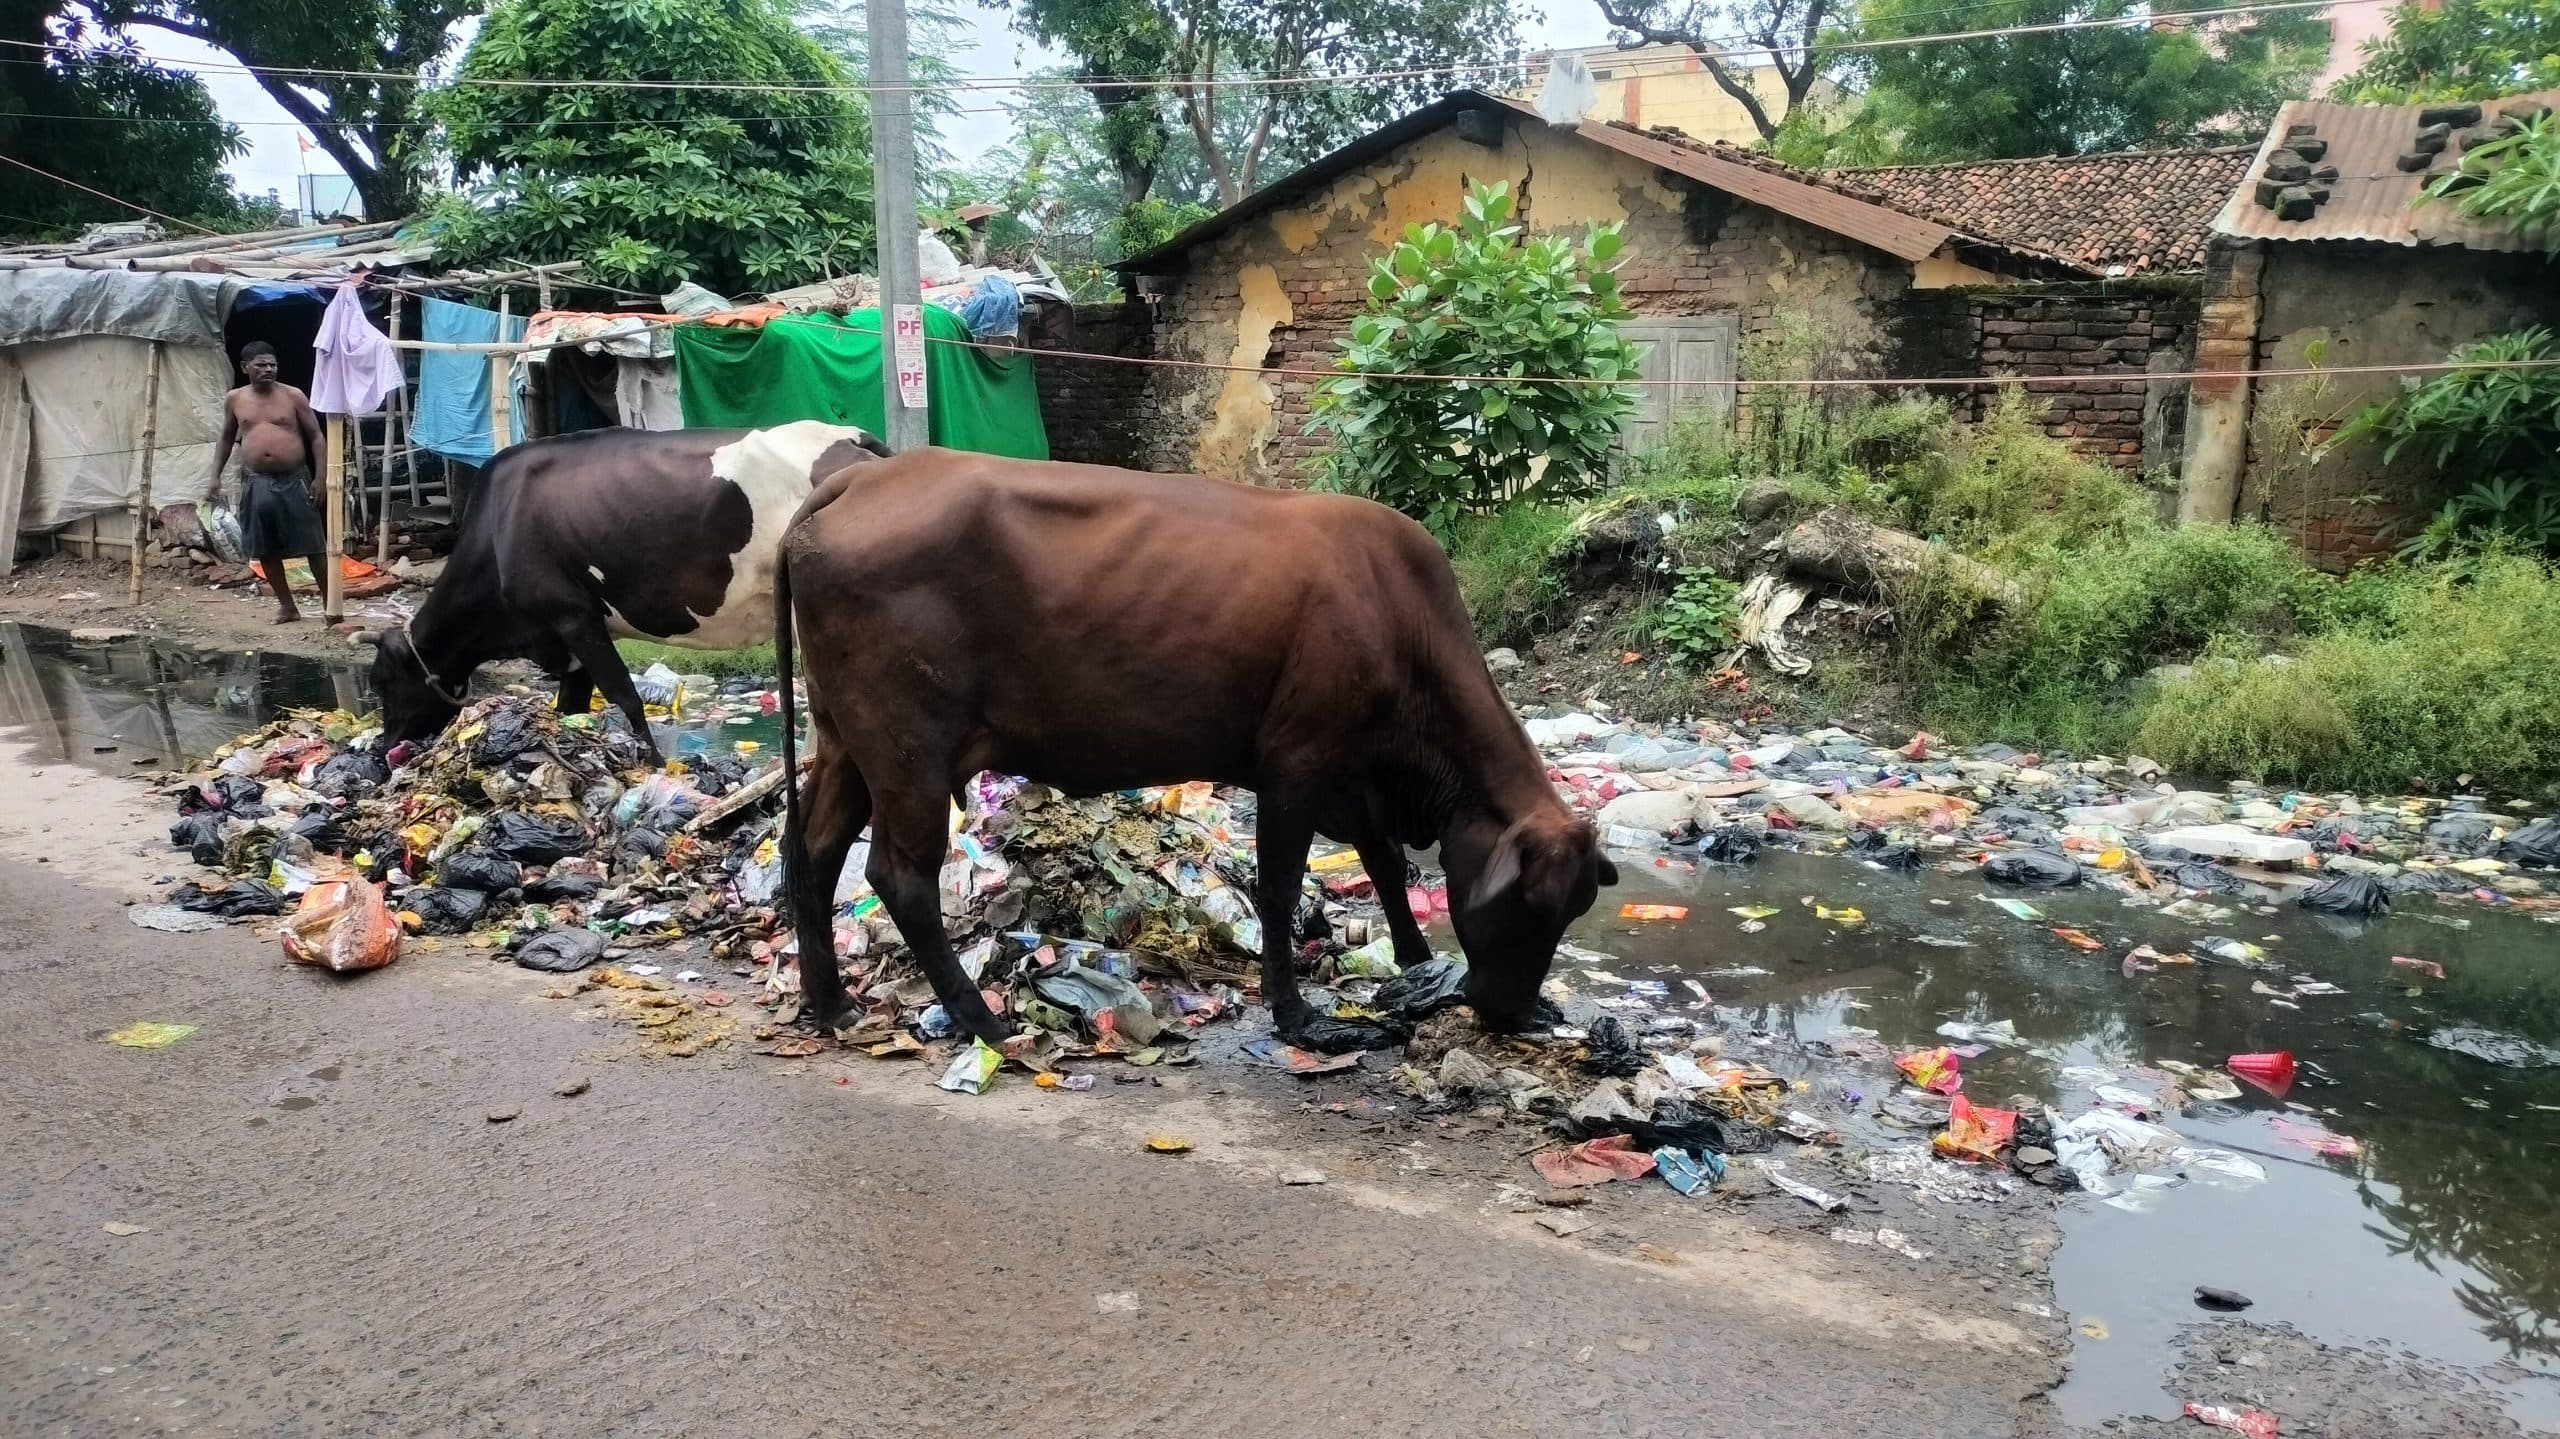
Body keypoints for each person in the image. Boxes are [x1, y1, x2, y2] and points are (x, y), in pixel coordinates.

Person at [208, 341, 331, 624]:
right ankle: (288, 607)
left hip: (295, 479)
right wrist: (214, 476)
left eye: (272, 364)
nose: (269, 369)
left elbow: (316, 436)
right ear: (245, 368)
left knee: (313, 544)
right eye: (261, 365)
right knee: (264, 548)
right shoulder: (235, 399)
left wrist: (321, 477)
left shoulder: (293, 396)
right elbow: (226, 438)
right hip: (256, 481)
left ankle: (330, 606)